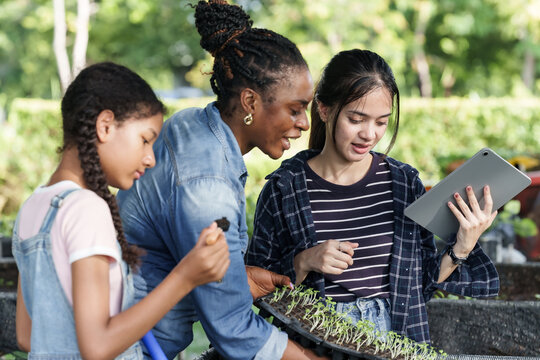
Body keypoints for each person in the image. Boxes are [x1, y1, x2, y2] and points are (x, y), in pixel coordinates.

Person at [246, 49, 500, 344]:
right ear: (324, 109)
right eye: (356, 119)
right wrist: (304, 261)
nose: (369, 134)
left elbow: (421, 286)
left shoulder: (404, 183)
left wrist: (463, 245)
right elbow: (255, 288)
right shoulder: (284, 188)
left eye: (381, 122)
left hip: (395, 342)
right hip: (312, 345)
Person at [116, 1, 325, 359]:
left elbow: (174, 247)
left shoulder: (193, 125)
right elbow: (232, 328)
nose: (304, 123)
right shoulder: (207, 182)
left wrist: (238, 277)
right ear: (250, 102)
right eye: (295, 109)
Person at [12, 62, 230, 359]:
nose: (150, 158)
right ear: (105, 126)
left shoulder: (33, 206)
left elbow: (27, 336)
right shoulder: (86, 209)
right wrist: (185, 277)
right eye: (145, 140)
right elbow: (98, 347)